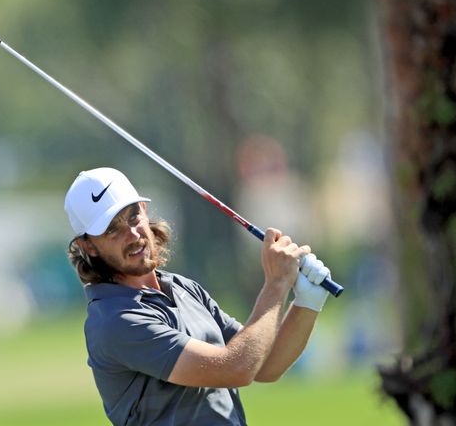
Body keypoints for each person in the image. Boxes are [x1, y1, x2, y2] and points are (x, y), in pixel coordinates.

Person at [64, 167, 331, 426]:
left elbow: (265, 365)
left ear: (144, 211)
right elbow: (237, 368)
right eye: (112, 229)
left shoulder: (181, 288)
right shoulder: (116, 321)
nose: (132, 235)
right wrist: (276, 284)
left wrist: (307, 302)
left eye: (133, 216)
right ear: (88, 246)